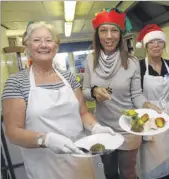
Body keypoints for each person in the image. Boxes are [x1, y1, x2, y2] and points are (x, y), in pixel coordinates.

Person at [1, 21, 114, 179]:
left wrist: (95, 127)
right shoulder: (16, 82)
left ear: (56, 46)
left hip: (81, 158)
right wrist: (45, 139)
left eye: (48, 40)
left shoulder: (68, 77)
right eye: (36, 40)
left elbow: (83, 113)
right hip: (46, 166)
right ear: (27, 45)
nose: (43, 45)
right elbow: (13, 132)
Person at [82, 8, 161, 179]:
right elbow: (85, 92)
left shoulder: (131, 62)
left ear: (120, 34)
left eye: (114, 30)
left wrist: (146, 105)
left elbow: (136, 95)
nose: (109, 36)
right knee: (109, 173)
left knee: (128, 173)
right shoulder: (90, 59)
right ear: (97, 34)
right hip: (103, 127)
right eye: (104, 30)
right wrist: (94, 92)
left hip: (128, 128)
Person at [135, 24, 169, 179]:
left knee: (168, 162)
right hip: (147, 119)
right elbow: (135, 95)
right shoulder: (139, 66)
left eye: (159, 41)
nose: (156, 45)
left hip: (168, 118)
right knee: (149, 164)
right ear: (146, 45)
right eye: (151, 42)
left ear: (164, 44)